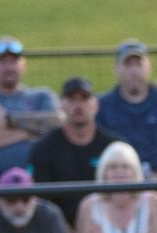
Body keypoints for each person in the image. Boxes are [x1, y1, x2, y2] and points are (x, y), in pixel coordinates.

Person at [0, 37, 60, 207]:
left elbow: (56, 124)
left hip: (36, 167)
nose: (9, 67)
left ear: (23, 64)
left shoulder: (41, 96)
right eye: (2, 61)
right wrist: (30, 131)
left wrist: (8, 122)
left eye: (14, 61)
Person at [27, 77, 120, 222]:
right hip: (59, 229)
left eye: (84, 99)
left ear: (96, 105)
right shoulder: (43, 150)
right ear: (61, 106)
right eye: (72, 100)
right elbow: (41, 204)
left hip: (108, 226)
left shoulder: (114, 148)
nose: (78, 106)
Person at [96, 40, 157, 177]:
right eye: (128, 65)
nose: (134, 71)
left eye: (139, 64)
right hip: (117, 181)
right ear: (116, 68)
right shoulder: (101, 107)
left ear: (149, 66)